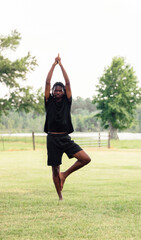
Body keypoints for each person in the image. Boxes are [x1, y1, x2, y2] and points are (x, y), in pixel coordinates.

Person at [44, 54, 91, 200]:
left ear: (63, 92)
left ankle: (65, 174)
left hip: (64, 137)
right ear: (52, 92)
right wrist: (53, 65)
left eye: (60, 90)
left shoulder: (67, 101)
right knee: (55, 168)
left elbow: (68, 82)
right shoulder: (48, 101)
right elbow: (47, 82)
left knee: (85, 158)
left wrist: (61, 65)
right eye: (55, 90)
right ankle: (60, 196)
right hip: (52, 138)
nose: (57, 92)